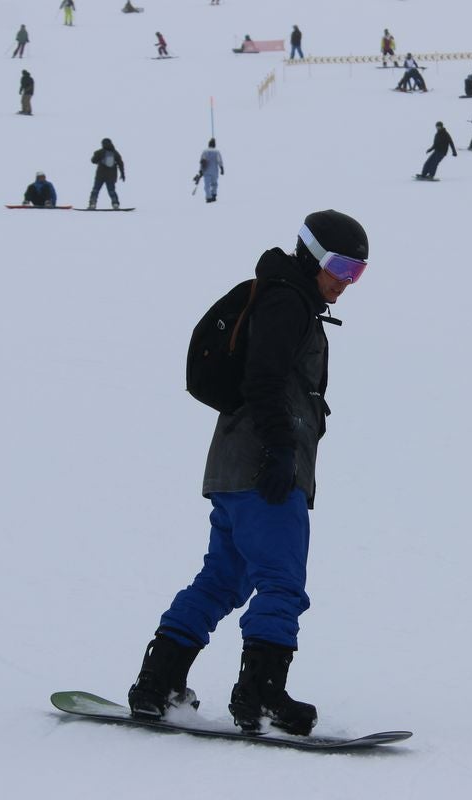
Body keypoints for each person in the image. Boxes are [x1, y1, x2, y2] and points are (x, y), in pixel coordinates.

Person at [127, 209, 370, 737]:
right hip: (265, 470)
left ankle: (158, 683)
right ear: (314, 258)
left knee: (221, 579)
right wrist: (281, 453)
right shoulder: (289, 303)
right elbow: (264, 380)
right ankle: (261, 697)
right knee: (281, 581)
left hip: (235, 466)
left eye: (359, 273)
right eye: (343, 268)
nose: (347, 283)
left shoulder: (282, 297)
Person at [88, 137, 125, 210]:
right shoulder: (115, 153)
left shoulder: (99, 152)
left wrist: (97, 158)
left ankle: (92, 204)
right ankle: (115, 204)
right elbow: (121, 163)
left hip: (100, 175)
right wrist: (122, 173)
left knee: (96, 190)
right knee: (111, 191)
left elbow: (93, 161)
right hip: (111, 176)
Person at [195, 138, 225, 203]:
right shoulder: (217, 151)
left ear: (209, 144)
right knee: (214, 184)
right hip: (214, 171)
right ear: (214, 144)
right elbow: (220, 161)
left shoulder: (205, 151)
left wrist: (200, 170)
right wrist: (222, 168)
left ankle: (209, 198)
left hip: (206, 171)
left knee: (207, 186)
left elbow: (202, 161)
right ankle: (214, 195)